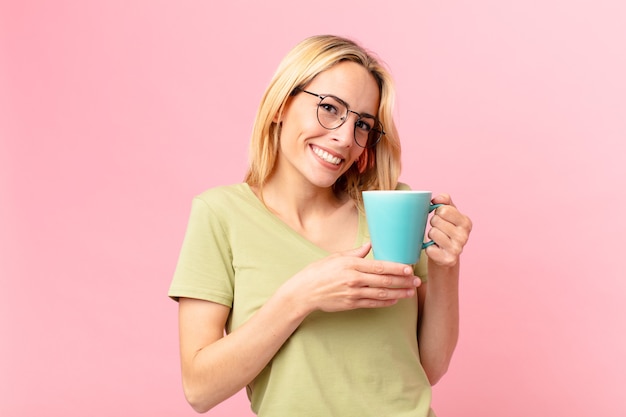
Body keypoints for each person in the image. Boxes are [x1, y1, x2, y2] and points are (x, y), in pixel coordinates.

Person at [168, 34, 472, 417]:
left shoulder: (391, 209)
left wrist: (446, 266)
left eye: (363, 124)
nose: (346, 138)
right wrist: (301, 297)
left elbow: (429, 367)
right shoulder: (221, 214)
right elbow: (199, 389)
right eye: (330, 108)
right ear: (281, 104)